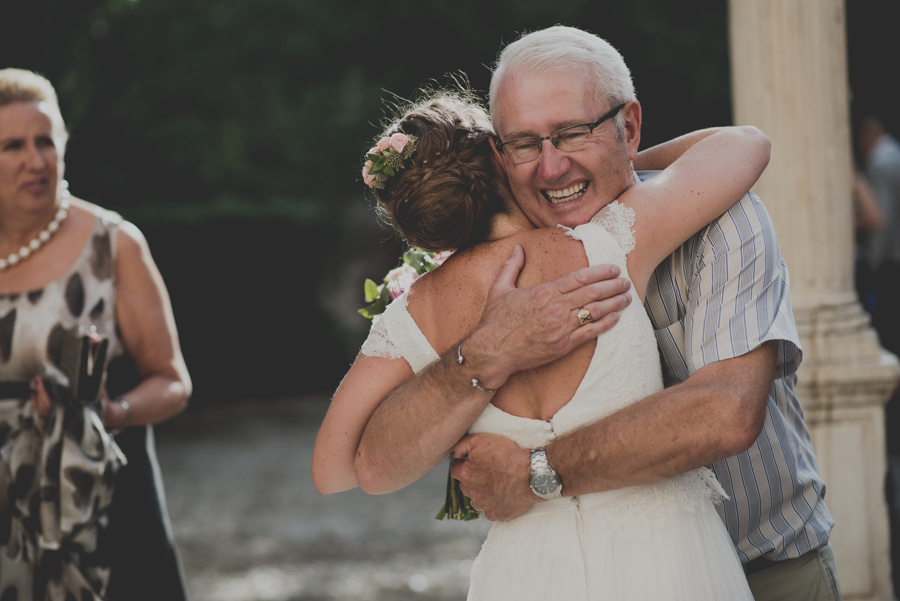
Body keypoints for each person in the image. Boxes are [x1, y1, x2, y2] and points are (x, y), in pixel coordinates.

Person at [345, 27, 839, 601]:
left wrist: (532, 473)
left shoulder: (724, 219)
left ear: (628, 128)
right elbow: (370, 462)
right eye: (525, 144)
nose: (552, 169)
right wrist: (477, 359)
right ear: (498, 159)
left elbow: (724, 414)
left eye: (573, 134)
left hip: (768, 565)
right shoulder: (485, 275)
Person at [0, 69, 191, 600]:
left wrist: (113, 413)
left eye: (46, 141)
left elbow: (174, 381)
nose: (35, 160)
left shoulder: (114, 245)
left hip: (98, 503)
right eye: (12, 145)